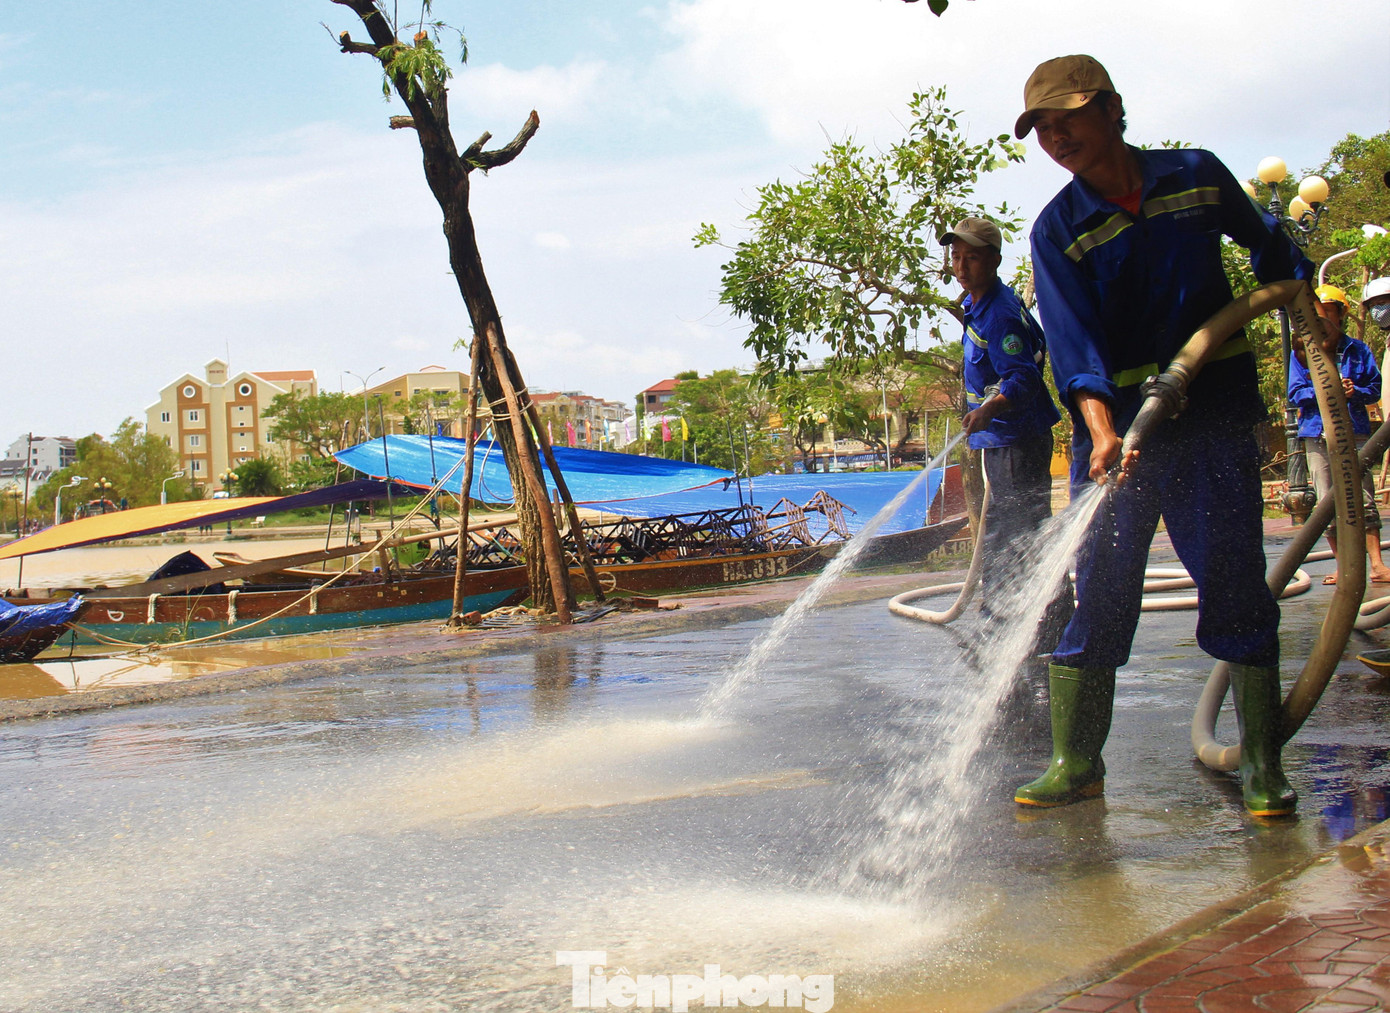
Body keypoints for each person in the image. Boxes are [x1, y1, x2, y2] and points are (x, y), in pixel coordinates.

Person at [1012, 54, 1313, 816]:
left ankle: (1263, 767)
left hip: (1208, 413)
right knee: (1102, 594)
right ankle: (1077, 761)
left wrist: (1290, 274)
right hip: (1116, 435)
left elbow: (1263, 240)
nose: (1055, 137)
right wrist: (1103, 429)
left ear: (1112, 109)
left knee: (1236, 581)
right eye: (1042, 128)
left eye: (1066, 119)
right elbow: (1074, 347)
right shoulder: (1060, 229)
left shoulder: (1197, 176)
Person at [939, 215, 1071, 650]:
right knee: (1016, 533)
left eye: (972, 258)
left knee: (1016, 537)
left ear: (994, 260)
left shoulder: (998, 314)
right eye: (956, 256)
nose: (961, 266)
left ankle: (1025, 632)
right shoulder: (982, 304)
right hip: (1005, 441)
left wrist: (991, 408)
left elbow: (1023, 379)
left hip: (1015, 441)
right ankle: (1036, 623)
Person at [1288, 284, 1389, 584]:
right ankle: (1344, 567)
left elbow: (1374, 389)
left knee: (1364, 498)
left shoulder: (1358, 350)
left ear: (1341, 315)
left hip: (1353, 434)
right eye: (1317, 312)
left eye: (1329, 312)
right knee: (1326, 503)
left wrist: (1353, 391)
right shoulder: (1301, 351)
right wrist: (1326, 388)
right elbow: (1295, 392)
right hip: (1317, 434)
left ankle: (1376, 565)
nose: (1323, 317)